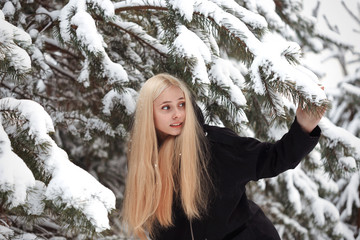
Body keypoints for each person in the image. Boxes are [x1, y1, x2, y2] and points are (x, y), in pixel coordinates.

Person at [121, 73, 325, 240]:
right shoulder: (144, 161)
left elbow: (273, 159)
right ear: (150, 114)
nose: (177, 114)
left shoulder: (215, 146)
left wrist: (304, 127)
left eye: (182, 104)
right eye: (166, 107)